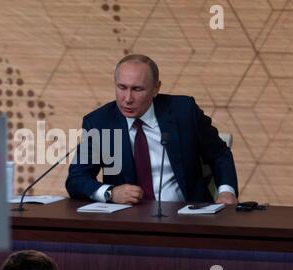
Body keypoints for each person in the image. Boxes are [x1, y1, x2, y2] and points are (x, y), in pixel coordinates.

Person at [66, 54, 238, 205]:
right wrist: (110, 193)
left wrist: (226, 191)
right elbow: (76, 180)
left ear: (156, 88)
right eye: (122, 87)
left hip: (187, 217)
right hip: (129, 222)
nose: (127, 99)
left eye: (137, 89)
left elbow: (219, 154)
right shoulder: (99, 122)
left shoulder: (184, 112)